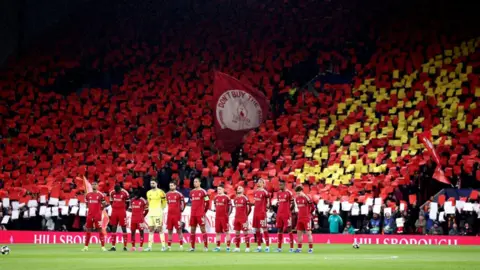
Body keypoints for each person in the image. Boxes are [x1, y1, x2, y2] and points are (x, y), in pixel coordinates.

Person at [82, 182, 107, 252]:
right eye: (93, 184)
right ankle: (86, 247)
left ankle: (103, 247)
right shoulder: (88, 195)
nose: (94, 185)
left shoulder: (100, 195)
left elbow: (104, 203)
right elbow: (87, 204)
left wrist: (101, 209)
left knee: (100, 230)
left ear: (97, 186)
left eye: (95, 184)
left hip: (97, 215)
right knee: (88, 230)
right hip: (90, 215)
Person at [145, 179, 167, 252]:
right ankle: (149, 247)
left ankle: (163, 246)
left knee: (159, 229)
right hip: (151, 213)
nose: (152, 184)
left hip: (158, 213)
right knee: (151, 229)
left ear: (156, 184)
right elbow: (148, 202)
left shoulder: (161, 192)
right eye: (151, 183)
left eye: (153, 183)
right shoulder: (148, 193)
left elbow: (164, 201)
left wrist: (162, 208)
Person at [189, 178, 210, 252]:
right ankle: (192, 247)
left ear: (200, 183)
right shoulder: (191, 192)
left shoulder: (203, 192)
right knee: (192, 230)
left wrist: (204, 211)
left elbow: (207, 202)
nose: (195, 183)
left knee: (203, 229)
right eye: (194, 182)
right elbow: (192, 202)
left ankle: (206, 246)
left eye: (196, 181)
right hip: (193, 214)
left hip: (200, 214)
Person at [109, 185, 130, 251]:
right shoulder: (112, 192)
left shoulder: (125, 193)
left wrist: (123, 209)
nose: (117, 192)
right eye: (116, 191)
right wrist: (114, 207)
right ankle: (113, 246)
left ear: (120, 189)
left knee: (124, 228)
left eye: (118, 191)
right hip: (114, 212)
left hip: (122, 211)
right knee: (114, 227)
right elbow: (111, 201)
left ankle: (125, 246)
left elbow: (128, 202)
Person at [293, 185, 314, 253]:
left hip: (306, 218)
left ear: (301, 191)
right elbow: (299, 208)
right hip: (300, 218)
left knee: (308, 234)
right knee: (299, 234)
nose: (298, 194)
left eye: (298, 193)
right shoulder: (297, 199)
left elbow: (313, 207)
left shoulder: (307, 197)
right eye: (297, 193)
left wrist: (309, 213)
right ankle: (299, 249)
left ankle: (310, 249)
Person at [275, 180, 294, 252]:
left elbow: (292, 204)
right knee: (279, 229)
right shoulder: (278, 193)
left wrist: (288, 211)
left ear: (284, 185)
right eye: (279, 185)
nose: (280, 186)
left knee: (289, 229)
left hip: (286, 214)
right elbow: (279, 202)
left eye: (281, 185)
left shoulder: (289, 193)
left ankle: (291, 248)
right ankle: (279, 248)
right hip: (279, 214)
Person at [166, 181, 185, 251]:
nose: (171, 187)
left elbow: (183, 204)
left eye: (172, 185)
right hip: (169, 215)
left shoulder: (179, 194)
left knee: (179, 230)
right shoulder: (167, 194)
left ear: (175, 186)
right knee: (169, 231)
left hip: (177, 215)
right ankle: (169, 247)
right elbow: (168, 203)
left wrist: (180, 210)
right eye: (170, 185)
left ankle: (181, 245)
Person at [253, 178, 270, 252]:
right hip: (255, 213)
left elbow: (268, 201)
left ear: (263, 184)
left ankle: (267, 246)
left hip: (262, 213)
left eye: (260, 182)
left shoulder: (265, 192)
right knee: (257, 229)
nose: (259, 183)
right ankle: (259, 246)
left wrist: (267, 207)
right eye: (258, 181)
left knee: (264, 228)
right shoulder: (255, 192)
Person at [213, 184, 232, 252]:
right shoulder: (216, 197)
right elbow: (215, 206)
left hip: (224, 217)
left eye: (220, 189)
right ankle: (218, 247)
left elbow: (230, 207)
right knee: (217, 232)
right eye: (218, 189)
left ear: (223, 189)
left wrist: (227, 215)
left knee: (226, 231)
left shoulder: (227, 197)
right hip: (217, 217)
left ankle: (228, 247)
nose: (219, 190)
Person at [233, 186, 251, 252]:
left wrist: (245, 216)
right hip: (236, 218)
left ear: (243, 190)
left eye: (240, 188)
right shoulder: (235, 199)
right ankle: (237, 248)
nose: (238, 189)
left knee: (245, 232)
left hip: (243, 218)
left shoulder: (245, 198)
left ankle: (247, 247)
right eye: (238, 188)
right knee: (237, 233)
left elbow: (249, 208)